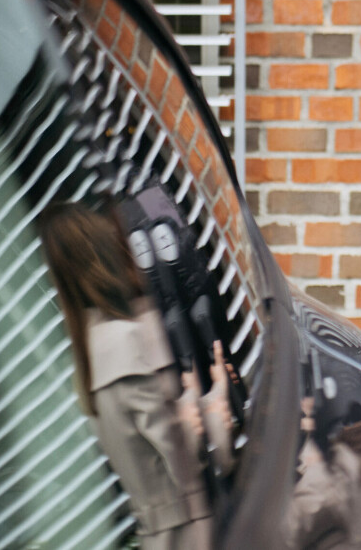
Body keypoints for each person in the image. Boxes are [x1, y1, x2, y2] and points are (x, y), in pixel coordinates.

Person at [39, 201, 222, 549]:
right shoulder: (125, 342)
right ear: (103, 255)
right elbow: (185, 457)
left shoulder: (93, 350)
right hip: (196, 532)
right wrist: (214, 403)